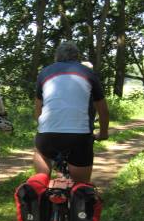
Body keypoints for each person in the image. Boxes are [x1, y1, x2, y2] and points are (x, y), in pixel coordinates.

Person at [33, 41, 109, 183]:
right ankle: (79, 197)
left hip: (47, 136)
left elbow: (38, 108)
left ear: (56, 57)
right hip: (79, 137)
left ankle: (38, 191)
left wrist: (43, 128)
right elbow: (103, 110)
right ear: (77, 57)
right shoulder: (88, 73)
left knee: (41, 152)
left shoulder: (45, 73)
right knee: (81, 188)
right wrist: (103, 133)